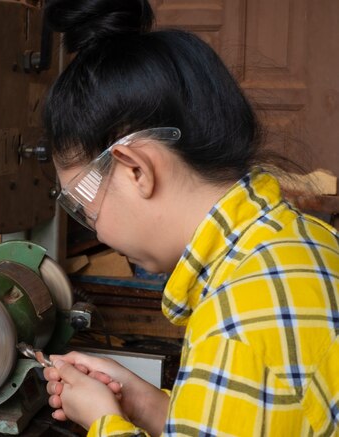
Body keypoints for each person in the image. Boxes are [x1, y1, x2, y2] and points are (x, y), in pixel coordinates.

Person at [40, 0, 339, 435]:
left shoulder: (237, 325)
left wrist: (104, 422)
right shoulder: (306, 239)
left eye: (85, 207)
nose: (96, 228)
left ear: (135, 169)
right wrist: (146, 404)